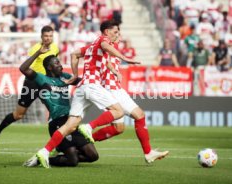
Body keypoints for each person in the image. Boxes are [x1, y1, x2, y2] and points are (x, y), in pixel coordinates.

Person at [34, 20, 139, 168]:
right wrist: (125, 58)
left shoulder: (91, 46)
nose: (117, 35)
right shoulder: (103, 40)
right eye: (115, 32)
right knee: (118, 111)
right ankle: (89, 127)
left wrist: (76, 74)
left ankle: (44, 152)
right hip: (92, 85)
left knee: (70, 126)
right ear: (107, 32)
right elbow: (105, 46)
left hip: (82, 86)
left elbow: (74, 54)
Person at [74, 30, 169, 164]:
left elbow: (102, 59)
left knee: (118, 128)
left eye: (119, 34)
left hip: (112, 88)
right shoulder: (105, 46)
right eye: (116, 34)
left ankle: (80, 144)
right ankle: (148, 152)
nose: (118, 37)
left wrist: (114, 71)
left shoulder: (108, 48)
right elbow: (102, 54)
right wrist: (122, 61)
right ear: (108, 35)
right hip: (111, 88)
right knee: (139, 115)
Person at [20, 52, 98, 167]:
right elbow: (23, 68)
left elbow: (83, 82)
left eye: (59, 62)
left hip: (71, 121)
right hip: (56, 122)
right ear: (49, 67)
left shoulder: (64, 77)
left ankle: (64, 150)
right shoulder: (42, 79)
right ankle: (43, 158)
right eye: (57, 63)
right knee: (73, 161)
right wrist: (38, 53)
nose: (60, 65)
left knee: (93, 156)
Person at [0, 25, 59, 149]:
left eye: (50, 36)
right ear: (41, 37)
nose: (48, 38)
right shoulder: (35, 49)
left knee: (55, 111)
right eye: (46, 36)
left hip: (46, 84)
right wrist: (38, 54)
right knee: (18, 115)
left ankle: (58, 145)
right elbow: (27, 67)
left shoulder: (55, 48)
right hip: (32, 83)